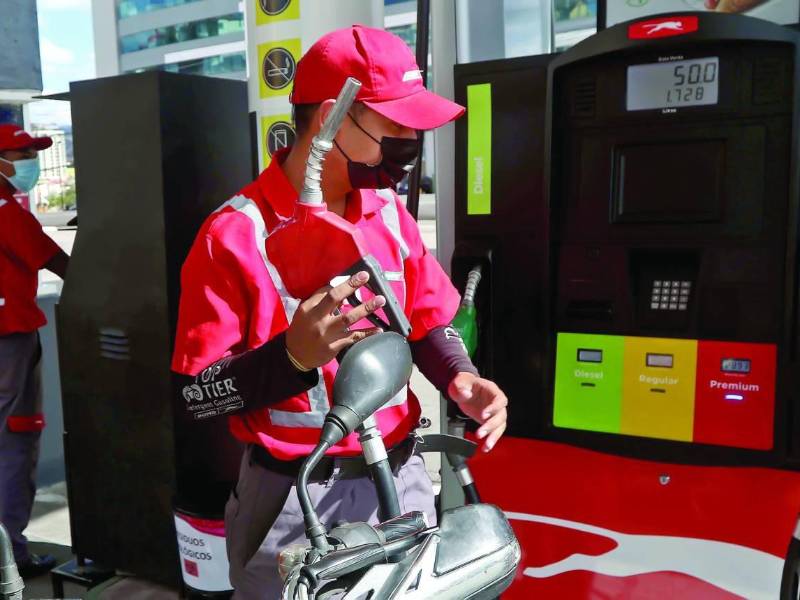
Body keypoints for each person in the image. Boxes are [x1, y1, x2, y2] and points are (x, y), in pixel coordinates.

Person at [171, 25, 508, 599]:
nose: (412, 140)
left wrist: (461, 377)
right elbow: (196, 393)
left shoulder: (389, 214)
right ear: (333, 116)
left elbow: (425, 321)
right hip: (291, 503)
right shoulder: (232, 235)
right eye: (396, 126)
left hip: (401, 482)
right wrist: (291, 358)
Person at [0, 124, 69, 577]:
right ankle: (12, 556)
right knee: (15, 440)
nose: (29, 161)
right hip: (9, 338)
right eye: (21, 153)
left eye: (32, 152)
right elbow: (53, 258)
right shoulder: (5, 209)